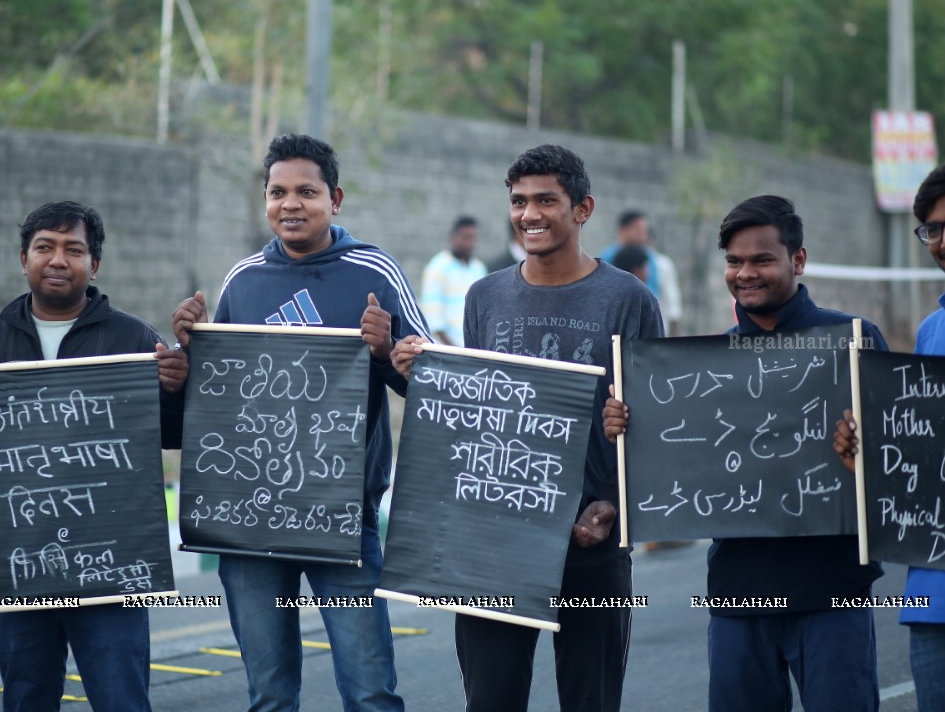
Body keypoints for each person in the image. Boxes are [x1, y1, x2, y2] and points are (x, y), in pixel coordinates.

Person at [393, 144, 662, 712]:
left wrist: (614, 502)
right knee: (491, 700)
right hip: (497, 543)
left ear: (582, 208)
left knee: (591, 702)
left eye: (546, 200)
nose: (529, 214)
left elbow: (656, 423)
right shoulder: (484, 297)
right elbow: (478, 412)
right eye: (518, 202)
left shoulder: (629, 300)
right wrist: (421, 369)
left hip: (591, 541)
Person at [173, 133, 428, 712]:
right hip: (249, 521)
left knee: (370, 691)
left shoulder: (374, 269)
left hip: (342, 519)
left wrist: (388, 349)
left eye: (306, 192)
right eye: (277, 192)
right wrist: (189, 352)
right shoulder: (243, 279)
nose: (290, 204)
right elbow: (220, 398)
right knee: (268, 694)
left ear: (335, 199)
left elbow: (427, 378)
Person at [605, 195, 886, 712]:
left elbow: (897, 465)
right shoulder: (700, 367)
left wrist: (867, 450)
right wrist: (625, 427)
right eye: (734, 262)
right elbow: (667, 463)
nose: (745, 273)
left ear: (797, 261)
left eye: (762, 259)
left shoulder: (852, 340)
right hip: (739, 591)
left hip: (834, 588)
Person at [0, 201, 187, 712]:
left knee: (122, 701)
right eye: (45, 247)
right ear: (23, 260)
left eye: (74, 249)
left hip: (112, 577)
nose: (58, 259)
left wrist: (176, 390)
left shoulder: (133, 340)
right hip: (23, 569)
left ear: (95, 265)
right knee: (26, 700)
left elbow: (170, 434)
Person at [835, 161, 945, 710]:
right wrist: (868, 454)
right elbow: (928, 457)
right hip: (931, 598)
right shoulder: (933, 329)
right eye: (934, 230)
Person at [598, 210, 684, 336]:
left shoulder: (660, 264)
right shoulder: (603, 261)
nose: (642, 237)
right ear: (623, 230)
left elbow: (673, 308)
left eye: (645, 232)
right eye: (638, 231)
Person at [419, 215, 486, 346]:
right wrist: (454, 350)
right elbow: (433, 319)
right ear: (453, 237)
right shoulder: (437, 267)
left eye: (472, 238)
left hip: (474, 350)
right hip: (446, 350)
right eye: (464, 237)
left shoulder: (479, 268)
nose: (468, 243)